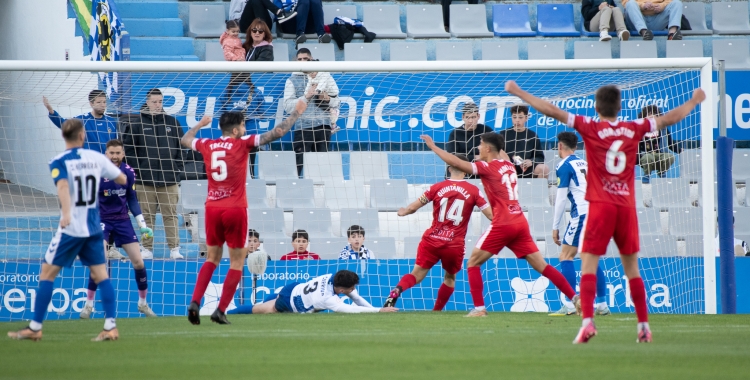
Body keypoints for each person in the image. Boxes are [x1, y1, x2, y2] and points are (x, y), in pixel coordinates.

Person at [505, 80, 705, 343]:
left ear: (596, 107)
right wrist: (694, 100)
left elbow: (551, 110)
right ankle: (643, 326)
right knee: (632, 269)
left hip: (599, 207)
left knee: (588, 263)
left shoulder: (590, 127)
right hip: (625, 207)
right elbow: (669, 119)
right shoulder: (634, 127)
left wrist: (519, 92)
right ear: (620, 107)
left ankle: (587, 323)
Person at [420, 133, 578, 317]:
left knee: (473, 263)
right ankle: (575, 299)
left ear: (488, 148)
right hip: (519, 221)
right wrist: (495, 144)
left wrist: (433, 146)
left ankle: (479, 309)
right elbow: (500, 151)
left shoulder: (486, 167)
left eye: (480, 144)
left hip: (503, 223)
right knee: (542, 266)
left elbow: (456, 162)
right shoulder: (508, 164)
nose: (477, 148)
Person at [183, 100, 307, 325]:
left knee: (212, 258)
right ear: (235, 130)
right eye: (243, 126)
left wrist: (200, 124)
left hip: (211, 208)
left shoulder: (207, 145)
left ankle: (194, 301)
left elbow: (185, 140)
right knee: (236, 262)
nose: (246, 129)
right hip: (234, 209)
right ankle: (220, 311)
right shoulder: (243, 144)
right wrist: (297, 113)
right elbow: (277, 132)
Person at [7, 119, 127, 342]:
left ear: (64, 136)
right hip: (93, 228)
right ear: (82, 135)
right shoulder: (96, 158)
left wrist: (66, 214)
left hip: (71, 228)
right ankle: (110, 326)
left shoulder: (58, 161)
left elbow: (62, 186)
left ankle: (35, 328)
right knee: (102, 276)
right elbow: (121, 178)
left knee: (47, 274)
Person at [384, 154, 493, 311]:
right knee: (450, 278)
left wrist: (403, 212)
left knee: (416, 274)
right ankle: (436, 311)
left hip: (431, 240)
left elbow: (412, 208)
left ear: (449, 168)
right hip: (454, 244)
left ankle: (397, 290)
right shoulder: (474, 191)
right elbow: (490, 215)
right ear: (466, 171)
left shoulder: (436, 187)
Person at [80, 139, 157, 319]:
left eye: (118, 153)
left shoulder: (128, 172)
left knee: (138, 262)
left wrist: (142, 226)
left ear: (123, 154)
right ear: (106, 154)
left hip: (122, 220)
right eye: (111, 153)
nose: (114, 156)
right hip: (102, 219)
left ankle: (143, 304)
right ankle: (88, 305)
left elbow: (132, 198)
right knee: (100, 260)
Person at [549, 132, 610, 317]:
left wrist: (555, 226)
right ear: (576, 147)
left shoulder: (563, 165)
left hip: (582, 214)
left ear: (560, 146)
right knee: (590, 258)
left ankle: (569, 304)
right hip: (598, 212)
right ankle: (602, 305)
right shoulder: (586, 164)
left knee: (566, 255)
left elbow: (560, 199)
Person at [121, 89, 186, 260]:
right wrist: (138, 171)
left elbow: (182, 149)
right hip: (144, 180)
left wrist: (176, 168)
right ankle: (146, 248)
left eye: (160, 102)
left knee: (170, 215)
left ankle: (174, 249)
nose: (158, 105)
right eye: (154, 102)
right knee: (146, 216)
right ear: (147, 102)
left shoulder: (172, 123)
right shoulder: (136, 124)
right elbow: (128, 151)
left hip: (169, 179)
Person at [231, 270, 398, 314]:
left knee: (264, 303)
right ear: (341, 289)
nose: (353, 290)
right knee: (263, 309)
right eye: (351, 287)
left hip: (294, 287)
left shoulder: (334, 277)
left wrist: (378, 312)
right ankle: (229, 313)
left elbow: (355, 297)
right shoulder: (327, 299)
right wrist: (379, 309)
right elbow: (352, 309)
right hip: (290, 301)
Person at [284, 48, 340, 177]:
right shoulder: (291, 80)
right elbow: (287, 107)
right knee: (298, 169)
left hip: (323, 128)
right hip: (303, 128)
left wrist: (327, 98)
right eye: (300, 59)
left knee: (321, 171)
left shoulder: (324, 75)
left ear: (312, 59)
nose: (303, 61)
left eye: (306, 59)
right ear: (295, 61)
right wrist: (306, 97)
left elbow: (336, 102)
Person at [43, 90, 118, 153]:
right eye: (99, 102)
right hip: (89, 164)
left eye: (104, 102)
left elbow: (115, 145)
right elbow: (64, 124)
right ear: (91, 104)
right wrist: (51, 111)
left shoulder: (111, 121)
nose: (103, 105)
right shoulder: (82, 120)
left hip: (106, 164)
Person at [499, 105, 549, 179]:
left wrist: (531, 161)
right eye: (514, 117)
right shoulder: (503, 134)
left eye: (520, 117)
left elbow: (540, 157)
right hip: (508, 168)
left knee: (544, 168)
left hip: (527, 169)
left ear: (526, 118)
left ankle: (538, 190)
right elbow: (497, 153)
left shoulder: (532, 135)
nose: (517, 120)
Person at [446, 103, 493, 179]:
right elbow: (452, 156)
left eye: (473, 117)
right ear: (463, 117)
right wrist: (475, 158)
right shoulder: (455, 134)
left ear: (478, 116)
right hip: (461, 172)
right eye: (467, 117)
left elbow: (495, 152)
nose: (470, 121)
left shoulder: (487, 131)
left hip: (482, 172)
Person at [637, 105, 680, 183]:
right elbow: (635, 147)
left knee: (670, 157)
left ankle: (662, 172)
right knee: (648, 157)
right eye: (648, 114)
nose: (651, 116)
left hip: (660, 156)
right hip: (646, 156)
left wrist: (681, 150)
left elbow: (670, 143)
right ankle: (647, 174)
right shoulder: (640, 130)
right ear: (643, 117)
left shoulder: (663, 129)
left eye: (654, 114)